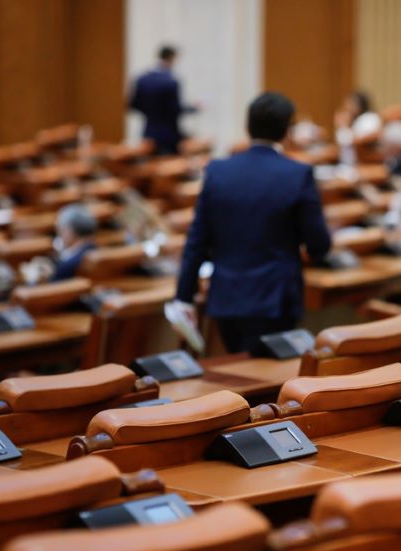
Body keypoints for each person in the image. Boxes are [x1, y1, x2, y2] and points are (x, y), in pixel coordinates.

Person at [172, 92, 332, 353]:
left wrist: (183, 298)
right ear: (286, 131)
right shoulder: (297, 174)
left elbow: (197, 241)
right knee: (270, 381)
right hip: (276, 299)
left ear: (247, 127)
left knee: (239, 373)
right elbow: (319, 244)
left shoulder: (217, 171)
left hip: (227, 299)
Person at [129, 45, 198, 155]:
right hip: (168, 134)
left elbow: (133, 105)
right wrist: (193, 109)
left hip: (149, 131)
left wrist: (151, 113)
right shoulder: (171, 82)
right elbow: (175, 109)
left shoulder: (142, 79)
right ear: (171, 58)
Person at [334, 91, 382, 165]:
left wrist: (343, 127)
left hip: (365, 163)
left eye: (350, 103)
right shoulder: (356, 120)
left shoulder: (369, 118)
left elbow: (369, 138)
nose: (347, 107)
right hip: (350, 164)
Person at [52, 204, 97, 281]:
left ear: (68, 231)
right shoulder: (97, 250)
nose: (59, 235)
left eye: (60, 230)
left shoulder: (68, 266)